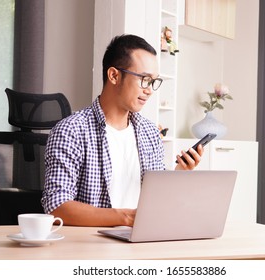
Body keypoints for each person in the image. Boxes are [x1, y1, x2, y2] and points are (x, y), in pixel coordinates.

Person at [41, 34, 204, 227]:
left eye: (153, 82)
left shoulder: (150, 133)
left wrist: (179, 173)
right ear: (114, 76)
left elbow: (157, 200)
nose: (150, 90)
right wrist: (126, 218)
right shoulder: (71, 131)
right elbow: (56, 205)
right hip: (93, 247)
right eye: (144, 79)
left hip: (144, 241)